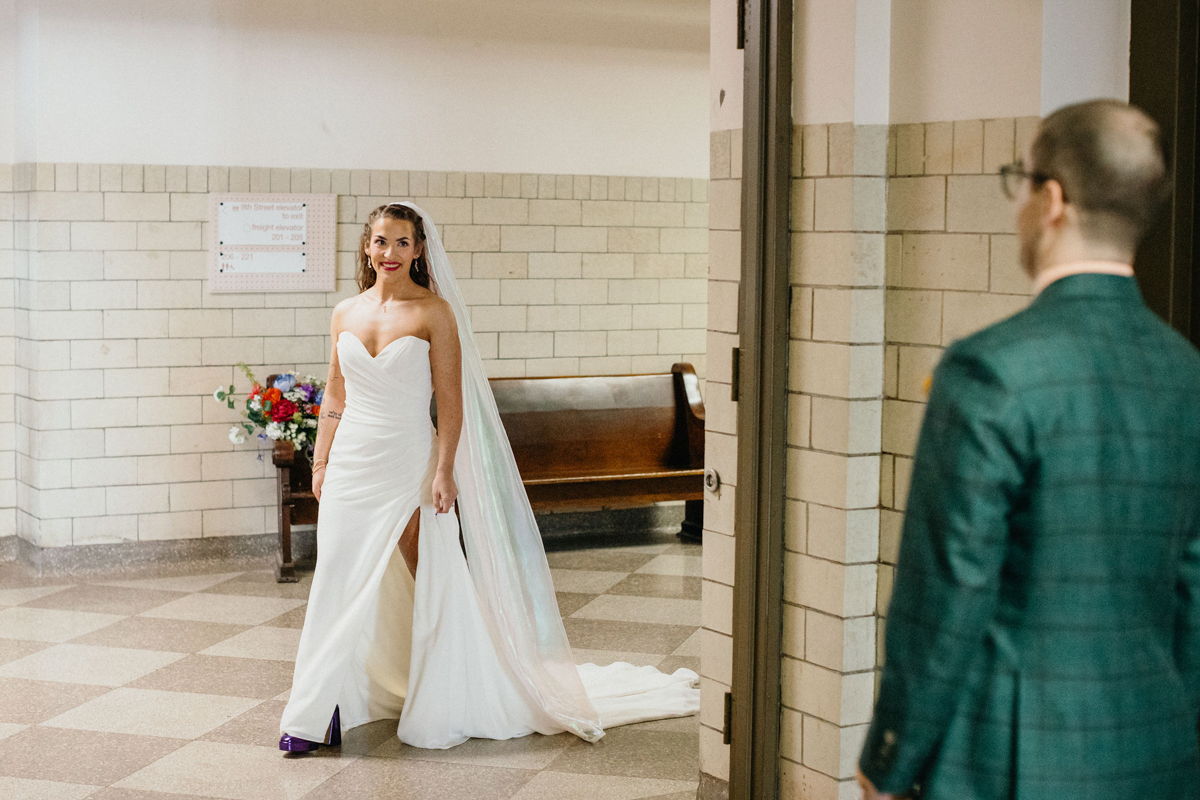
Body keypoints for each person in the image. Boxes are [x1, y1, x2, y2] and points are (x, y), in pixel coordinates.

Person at [858, 100, 1200, 799]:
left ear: (1051, 200)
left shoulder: (989, 369)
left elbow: (947, 591)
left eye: (1020, 180)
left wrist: (891, 753)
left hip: (1006, 758)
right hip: (1157, 750)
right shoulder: (1187, 373)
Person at [278, 202, 699, 752]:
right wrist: (321, 460)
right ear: (366, 246)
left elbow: (450, 403)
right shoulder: (343, 313)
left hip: (408, 459)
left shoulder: (435, 313)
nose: (390, 253)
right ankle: (320, 707)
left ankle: (452, 689)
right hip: (353, 460)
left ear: (419, 250)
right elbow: (335, 395)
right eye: (381, 241)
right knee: (336, 575)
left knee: (430, 573)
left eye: (402, 243)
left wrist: (445, 469)